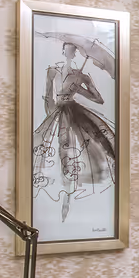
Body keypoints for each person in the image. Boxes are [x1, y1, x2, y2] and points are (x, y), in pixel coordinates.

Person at [30, 38, 116, 222]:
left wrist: (81, 90)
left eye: (73, 51)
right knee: (59, 148)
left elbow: (99, 99)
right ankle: (60, 200)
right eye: (68, 51)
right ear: (63, 52)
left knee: (82, 146)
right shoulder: (53, 71)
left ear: (75, 54)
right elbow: (48, 96)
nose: (70, 54)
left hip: (75, 111)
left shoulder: (82, 76)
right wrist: (51, 115)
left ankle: (71, 199)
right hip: (58, 114)